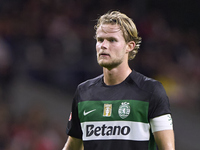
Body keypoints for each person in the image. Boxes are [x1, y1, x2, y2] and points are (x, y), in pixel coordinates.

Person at [62, 11, 175, 150]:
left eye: (112, 40)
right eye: (100, 39)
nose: (103, 45)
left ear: (130, 46)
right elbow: (73, 147)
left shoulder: (151, 91)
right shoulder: (84, 92)